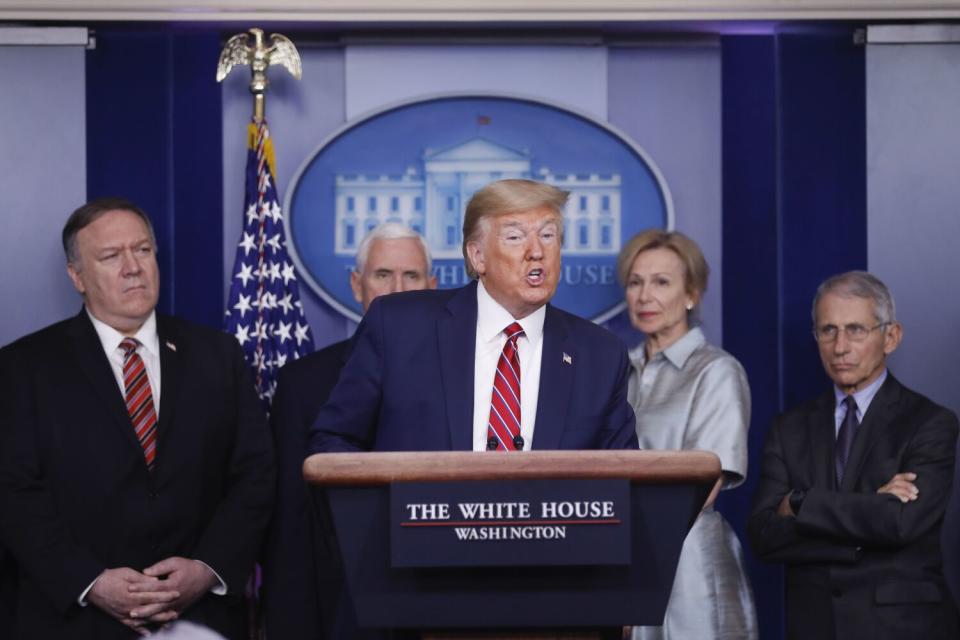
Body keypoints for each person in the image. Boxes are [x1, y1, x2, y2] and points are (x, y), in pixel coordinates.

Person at [0, 198, 274, 639]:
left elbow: (255, 476)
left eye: (143, 251)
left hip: (200, 620)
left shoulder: (218, 358)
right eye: (111, 256)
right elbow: (13, 492)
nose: (133, 267)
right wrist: (91, 582)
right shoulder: (23, 369)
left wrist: (207, 569)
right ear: (77, 277)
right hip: (74, 622)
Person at [307, 178, 638, 454]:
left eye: (548, 236)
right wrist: (388, 527)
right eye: (515, 237)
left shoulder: (599, 355)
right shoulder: (398, 327)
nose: (536, 251)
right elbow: (334, 443)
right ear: (477, 256)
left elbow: (626, 482)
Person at [748, 271, 959, 640]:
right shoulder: (789, 427)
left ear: (890, 337)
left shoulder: (930, 422)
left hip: (902, 630)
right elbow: (764, 536)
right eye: (827, 330)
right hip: (815, 627)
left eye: (856, 330)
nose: (840, 346)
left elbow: (899, 523)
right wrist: (868, 512)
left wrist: (800, 503)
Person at [263, 222, 436, 640]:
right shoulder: (302, 384)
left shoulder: (473, 376)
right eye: (382, 275)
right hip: (339, 611)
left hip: (441, 605)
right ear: (357, 285)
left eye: (410, 276)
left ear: (432, 286)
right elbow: (291, 525)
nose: (397, 289)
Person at [618, 230, 757, 640]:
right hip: (621, 562)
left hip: (689, 571)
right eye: (635, 282)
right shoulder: (616, 372)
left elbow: (703, 487)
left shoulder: (717, 371)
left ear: (691, 293)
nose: (645, 296)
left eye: (662, 282)